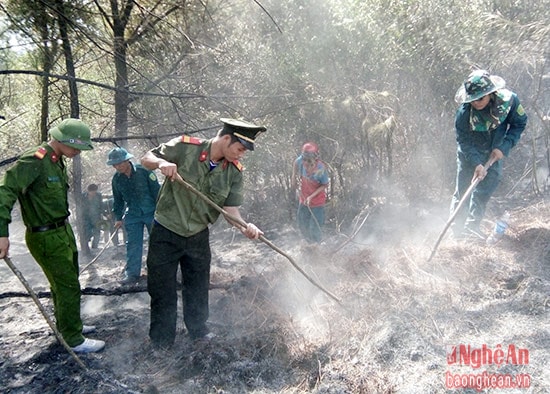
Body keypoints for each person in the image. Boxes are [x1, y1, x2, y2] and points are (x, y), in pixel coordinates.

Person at [141, 118, 266, 348]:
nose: (241, 155)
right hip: (166, 230)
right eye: (239, 149)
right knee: (162, 288)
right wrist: (160, 163)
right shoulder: (186, 147)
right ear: (226, 139)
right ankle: (161, 341)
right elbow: (146, 158)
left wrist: (246, 227)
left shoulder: (235, 172)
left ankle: (198, 331)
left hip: (198, 235)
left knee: (198, 287)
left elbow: (231, 211)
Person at [0, 118, 105, 353]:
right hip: (45, 236)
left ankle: (69, 326)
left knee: (67, 283)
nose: (78, 152)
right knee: (66, 285)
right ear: (63, 141)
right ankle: (73, 339)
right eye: (76, 147)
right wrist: (1, 232)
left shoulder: (57, 161)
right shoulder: (34, 160)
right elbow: (5, 190)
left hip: (62, 231)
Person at [450, 70, 528, 239]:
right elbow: (463, 141)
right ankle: (456, 232)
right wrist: (476, 163)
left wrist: (505, 146)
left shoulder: (509, 102)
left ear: (490, 94)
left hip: (494, 153)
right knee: (463, 191)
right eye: (472, 99)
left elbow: (519, 123)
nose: (476, 102)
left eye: (480, 98)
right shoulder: (464, 113)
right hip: (469, 154)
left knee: (484, 190)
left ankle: (472, 228)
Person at [107, 147, 160, 285]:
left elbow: (157, 193)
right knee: (133, 245)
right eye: (114, 165)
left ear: (127, 160)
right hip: (132, 215)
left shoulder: (145, 171)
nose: (117, 167)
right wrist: (118, 218)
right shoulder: (116, 179)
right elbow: (118, 200)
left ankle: (158, 270)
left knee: (157, 243)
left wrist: (161, 211)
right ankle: (132, 274)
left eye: (119, 163)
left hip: (151, 212)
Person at [291, 142, 329, 244]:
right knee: (302, 223)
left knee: (314, 227)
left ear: (315, 159)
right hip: (303, 199)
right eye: (304, 160)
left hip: (317, 202)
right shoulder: (301, 161)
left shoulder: (321, 169)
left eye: (309, 161)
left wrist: (311, 197)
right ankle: (308, 245)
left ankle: (316, 247)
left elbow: (325, 185)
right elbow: (296, 163)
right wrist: (294, 177)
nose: (306, 163)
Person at [82, 183, 103, 252]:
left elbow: (101, 205)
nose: (93, 194)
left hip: (96, 217)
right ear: (88, 191)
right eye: (92, 192)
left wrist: (104, 214)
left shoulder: (99, 196)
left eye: (95, 192)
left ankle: (95, 247)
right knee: (87, 232)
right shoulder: (83, 196)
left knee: (97, 232)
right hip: (86, 217)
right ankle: (86, 248)